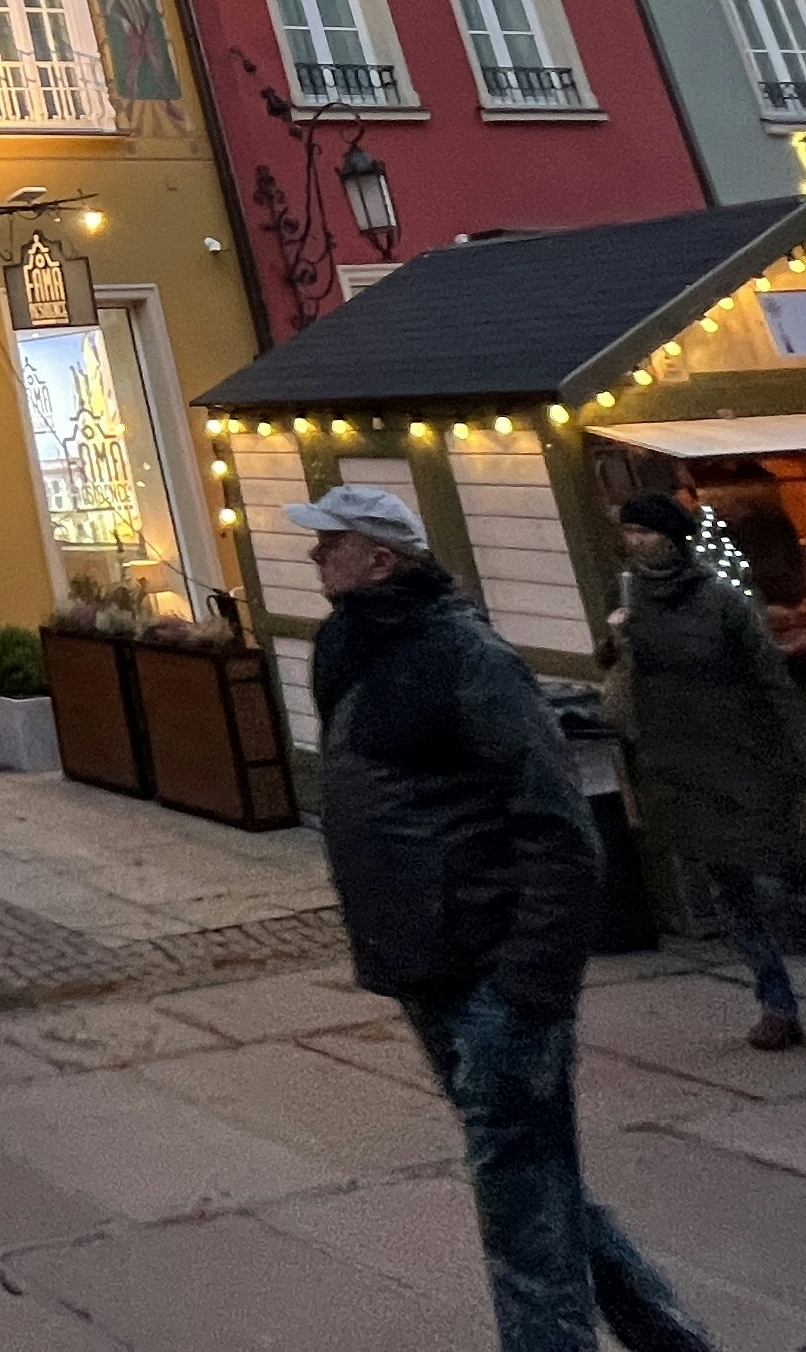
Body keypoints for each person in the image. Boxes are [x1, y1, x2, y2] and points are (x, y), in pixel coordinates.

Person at [291, 484, 719, 1352]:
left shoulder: (466, 656)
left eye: (330, 542)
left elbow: (559, 829)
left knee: (522, 1209)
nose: (313, 554)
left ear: (380, 559)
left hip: (494, 969)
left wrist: (530, 983)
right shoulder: (346, 648)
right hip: (423, 962)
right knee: (533, 1178)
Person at [602, 489, 806, 1050]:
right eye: (629, 533)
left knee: (776, 888)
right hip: (679, 762)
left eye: (646, 532)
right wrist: (617, 642)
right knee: (728, 893)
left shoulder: (722, 599)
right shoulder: (627, 596)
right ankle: (776, 1003)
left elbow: (771, 682)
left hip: (743, 759)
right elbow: (619, 673)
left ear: (673, 538)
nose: (636, 543)